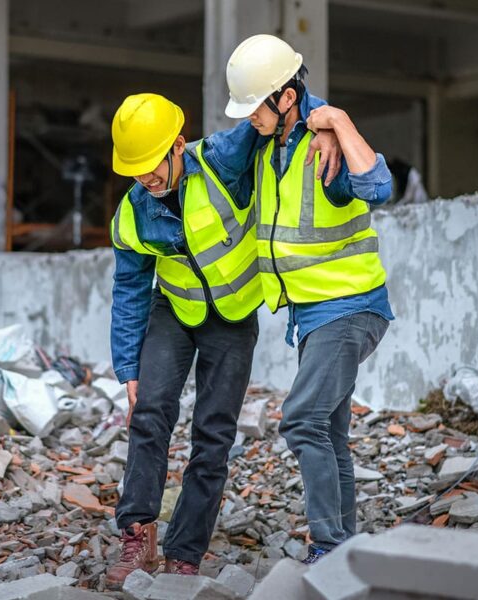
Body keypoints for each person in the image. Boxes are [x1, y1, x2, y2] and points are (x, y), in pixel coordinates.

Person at [225, 34, 395, 564]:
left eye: (255, 107)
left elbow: (379, 186)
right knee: (330, 431)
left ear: (286, 99)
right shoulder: (271, 141)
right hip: (313, 313)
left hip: (349, 307)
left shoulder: (325, 145)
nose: (249, 118)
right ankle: (345, 548)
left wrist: (338, 123)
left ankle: (328, 546)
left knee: (301, 420)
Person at [103, 92, 266, 589]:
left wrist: (328, 118)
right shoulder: (133, 212)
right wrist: (127, 368)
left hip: (233, 316)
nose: (146, 180)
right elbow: (130, 289)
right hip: (174, 309)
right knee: (149, 412)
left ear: (178, 146)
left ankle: (185, 552)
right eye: (134, 171)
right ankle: (138, 534)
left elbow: (270, 110)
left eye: (152, 166)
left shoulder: (220, 160)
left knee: (213, 435)